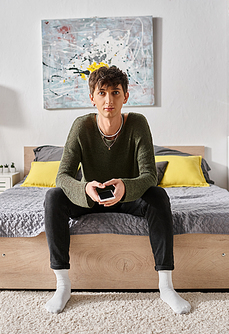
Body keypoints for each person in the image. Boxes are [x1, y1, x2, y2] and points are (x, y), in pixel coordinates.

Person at [43, 65, 191, 315]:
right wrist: (85, 188)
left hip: (128, 196)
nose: (108, 100)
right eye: (102, 93)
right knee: (53, 197)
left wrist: (125, 186)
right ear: (92, 97)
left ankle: (166, 286)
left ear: (126, 96)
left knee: (158, 195)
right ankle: (63, 285)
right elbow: (62, 176)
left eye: (115, 92)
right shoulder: (81, 127)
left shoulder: (137, 124)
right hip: (90, 198)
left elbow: (149, 175)